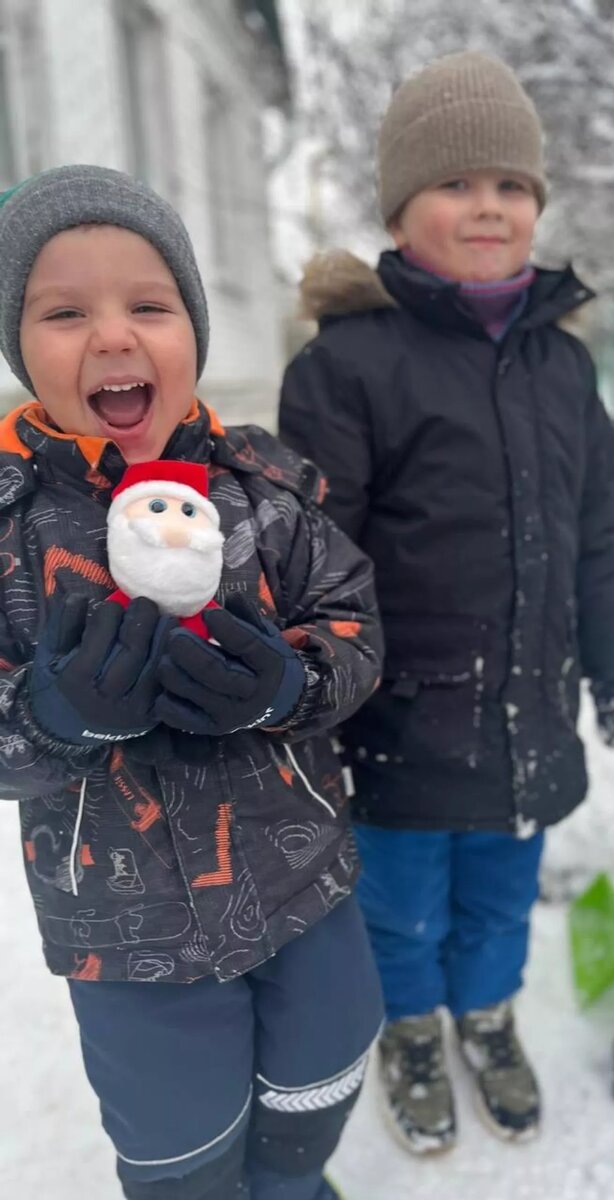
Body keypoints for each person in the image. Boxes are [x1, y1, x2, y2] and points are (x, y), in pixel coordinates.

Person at [278, 51, 614, 1154]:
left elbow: (597, 528)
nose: (488, 205)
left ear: (536, 205)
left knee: (499, 896)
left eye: (512, 186)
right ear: (402, 209)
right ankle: (409, 1030)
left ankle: (486, 1020)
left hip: (530, 709)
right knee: (401, 908)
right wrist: (321, 696)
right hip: (399, 721)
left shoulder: (564, 369)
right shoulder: (348, 366)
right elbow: (318, 551)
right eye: (457, 183)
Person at [0, 164, 385, 1200]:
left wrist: (288, 688)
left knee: (327, 1064)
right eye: (66, 311)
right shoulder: (8, 526)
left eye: (150, 305)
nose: (115, 337)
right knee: (180, 1145)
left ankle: (297, 1186)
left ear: (194, 336)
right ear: (19, 346)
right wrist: (48, 717)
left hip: (302, 883)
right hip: (125, 938)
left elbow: (353, 623)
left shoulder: (267, 493)